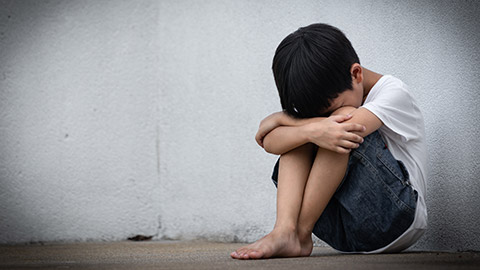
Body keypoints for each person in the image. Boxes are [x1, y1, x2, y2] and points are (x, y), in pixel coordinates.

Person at [231, 23, 427, 260]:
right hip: (342, 231)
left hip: (394, 217)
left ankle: (300, 234)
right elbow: (269, 142)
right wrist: (307, 128)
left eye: (329, 107)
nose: (320, 120)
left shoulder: (394, 93)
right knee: (308, 134)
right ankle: (285, 231)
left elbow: (339, 128)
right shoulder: (330, 102)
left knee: (337, 127)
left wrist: (285, 119)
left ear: (356, 74)